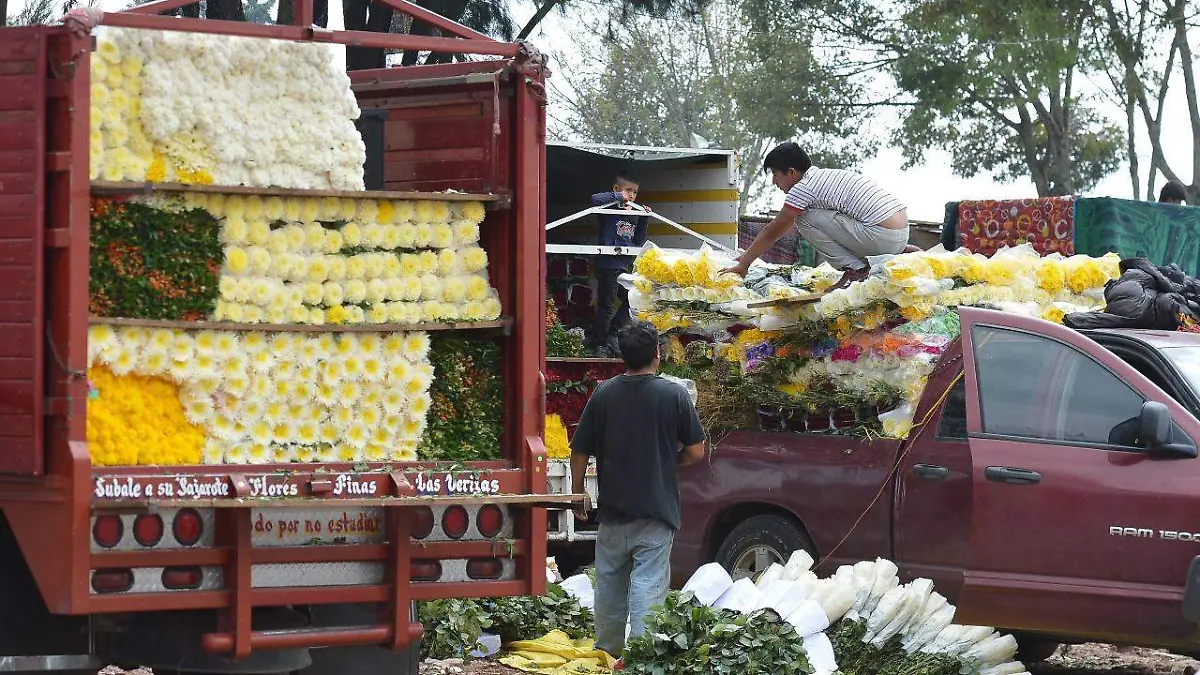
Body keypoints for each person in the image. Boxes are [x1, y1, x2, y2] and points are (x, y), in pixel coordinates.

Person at [570, 321, 706, 662]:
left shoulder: (603, 393)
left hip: (614, 510)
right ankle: (641, 660)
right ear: (657, 355)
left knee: (610, 585)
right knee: (648, 584)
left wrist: (576, 493)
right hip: (656, 510)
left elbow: (579, 449)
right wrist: (667, 459)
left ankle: (606, 653)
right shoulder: (673, 394)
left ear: (622, 357)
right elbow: (696, 451)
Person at [725, 142, 910, 289]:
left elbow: (771, 232)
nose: (774, 182)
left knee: (803, 218)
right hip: (899, 233)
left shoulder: (802, 189)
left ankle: (855, 270)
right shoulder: (824, 177)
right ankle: (900, 251)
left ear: (791, 172)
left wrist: (743, 265)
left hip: (881, 235)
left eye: (775, 174)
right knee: (821, 216)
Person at [589, 172, 650, 357]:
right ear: (616, 189)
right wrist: (618, 198)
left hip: (623, 266)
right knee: (607, 304)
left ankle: (613, 333)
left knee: (632, 299)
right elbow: (594, 199)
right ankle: (599, 343)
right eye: (628, 190)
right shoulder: (609, 209)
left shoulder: (631, 214)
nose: (631, 195)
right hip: (608, 264)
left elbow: (638, 241)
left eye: (635, 192)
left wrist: (644, 218)